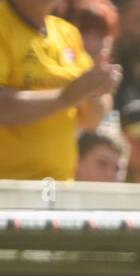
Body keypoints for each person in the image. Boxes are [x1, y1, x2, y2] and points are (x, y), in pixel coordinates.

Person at [0, 0, 118, 181]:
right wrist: (64, 98)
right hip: (7, 190)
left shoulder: (67, 34)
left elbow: (91, 121)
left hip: (57, 189)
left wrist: (97, 88)